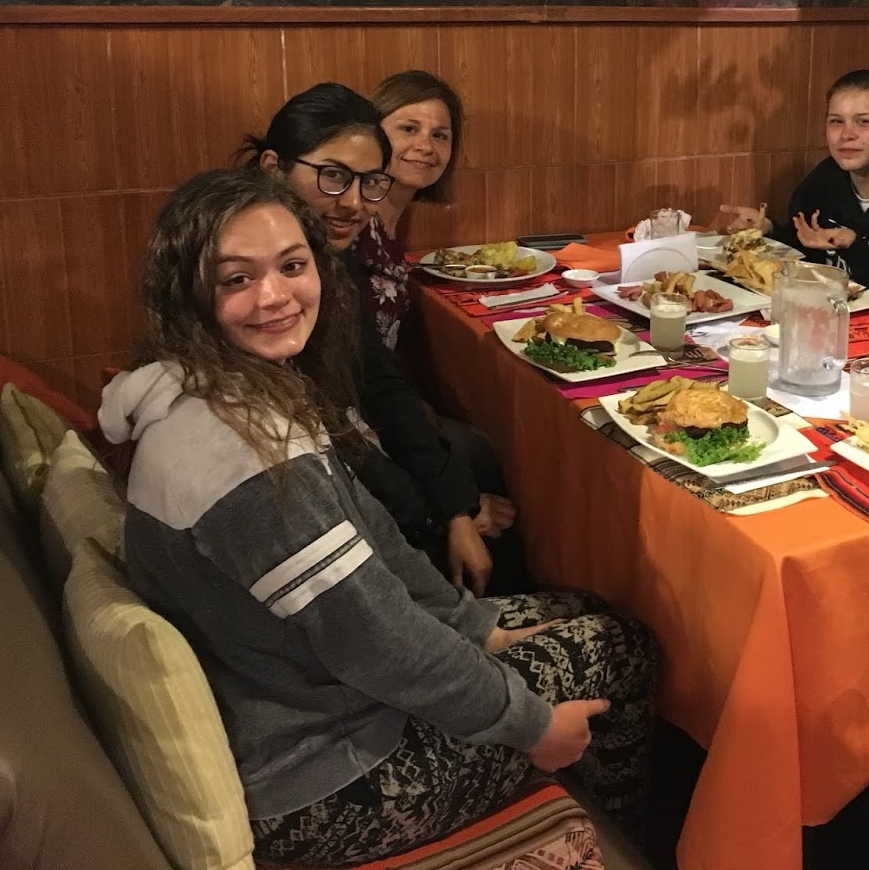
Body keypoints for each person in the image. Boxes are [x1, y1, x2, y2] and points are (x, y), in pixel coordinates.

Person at [98, 169, 655, 866]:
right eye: (236, 279)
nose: (274, 296)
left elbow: (377, 545)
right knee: (621, 645)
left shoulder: (223, 388)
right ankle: (629, 842)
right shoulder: (241, 458)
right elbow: (376, 644)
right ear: (185, 294)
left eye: (292, 266)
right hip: (323, 780)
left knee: (580, 608)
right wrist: (534, 726)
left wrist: (476, 628)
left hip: (306, 700)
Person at [240, 84, 508, 595]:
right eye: (333, 176)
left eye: (369, 183)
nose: (353, 203)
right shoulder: (251, 278)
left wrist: (452, 508)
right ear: (273, 168)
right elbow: (323, 433)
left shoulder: (327, 258)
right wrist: (438, 515)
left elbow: (377, 377)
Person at [715, 69, 869, 322]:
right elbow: (806, 255)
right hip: (825, 322)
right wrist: (768, 230)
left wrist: (853, 246)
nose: (847, 134)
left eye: (863, 122)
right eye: (836, 121)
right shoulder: (824, 181)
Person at [353, 69, 462, 352]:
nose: (426, 146)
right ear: (372, 133)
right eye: (408, 129)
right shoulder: (351, 223)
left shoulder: (386, 226)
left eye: (439, 135)